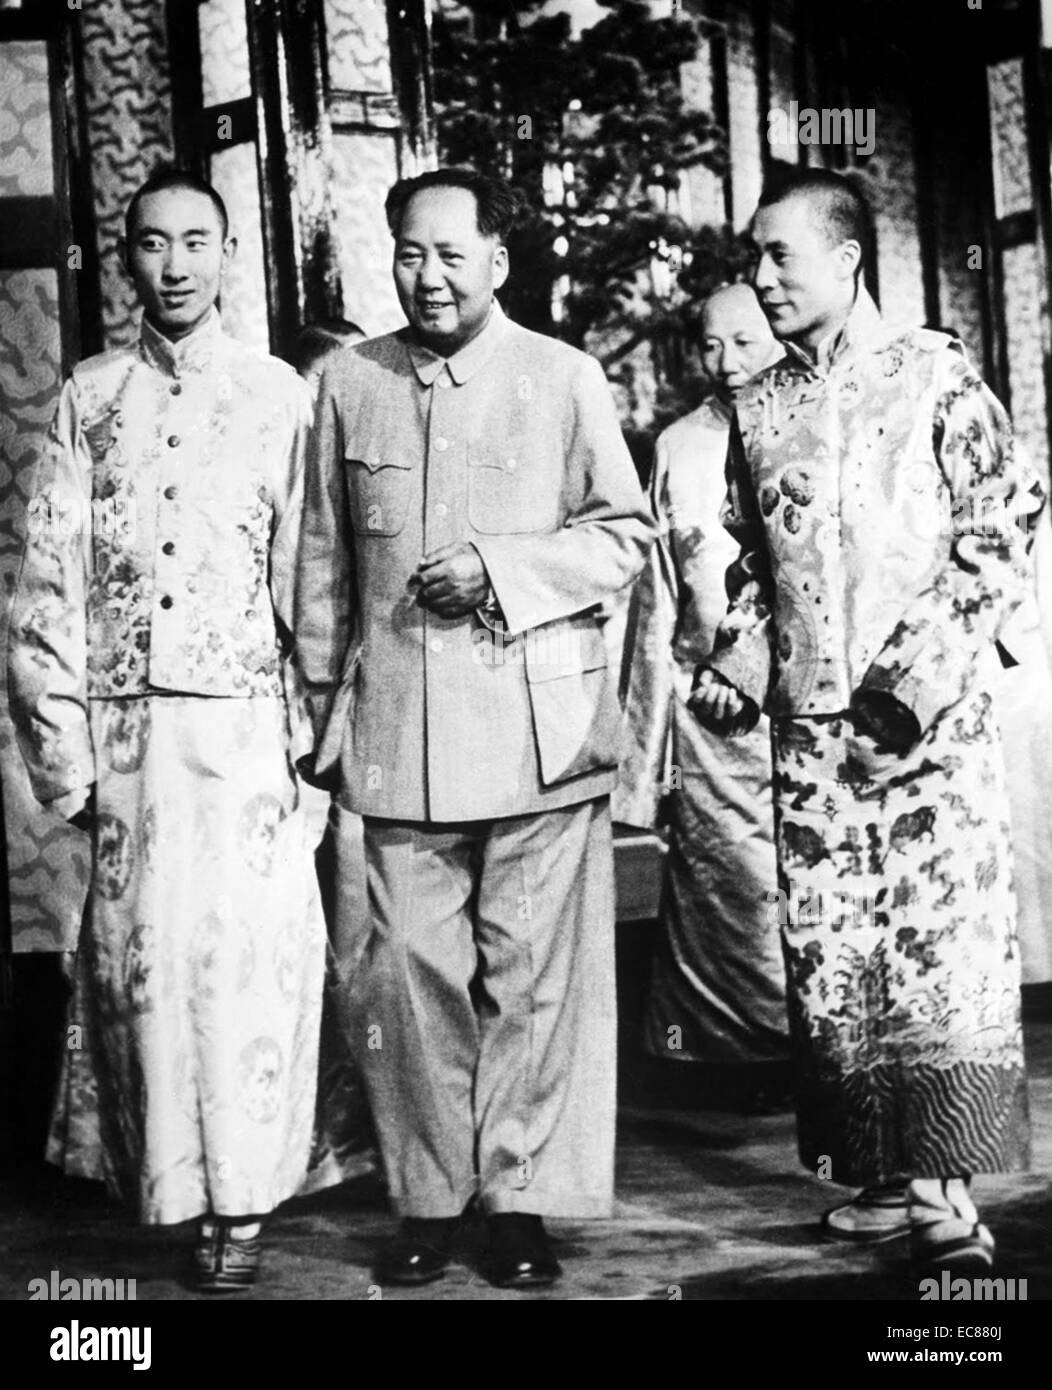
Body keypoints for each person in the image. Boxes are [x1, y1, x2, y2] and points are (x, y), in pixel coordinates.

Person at [293, 166, 655, 1288]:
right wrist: (314, 720)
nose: (429, 275)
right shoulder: (346, 381)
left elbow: (621, 537)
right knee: (405, 976)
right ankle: (428, 1198)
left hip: (538, 734)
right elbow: (318, 564)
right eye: (409, 252)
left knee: (532, 982)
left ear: (497, 261)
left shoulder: (562, 377)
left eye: (452, 254)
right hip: (399, 733)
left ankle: (518, 1202)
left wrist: (502, 569)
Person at [690, 168, 1044, 1273]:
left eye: (778, 257)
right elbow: (754, 569)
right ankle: (883, 1178)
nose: (760, 278)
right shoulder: (759, 409)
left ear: (845, 258)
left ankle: (947, 1200)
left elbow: (998, 536)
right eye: (753, 259)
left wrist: (902, 696)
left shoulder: (937, 381)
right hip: (809, 739)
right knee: (836, 958)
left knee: (936, 954)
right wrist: (739, 669)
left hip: (924, 734)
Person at [7, 167, 327, 1291]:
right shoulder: (89, 397)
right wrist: (68, 755)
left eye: (198, 241)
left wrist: (312, 748)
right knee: (147, 973)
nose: (176, 264)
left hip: (246, 736)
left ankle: (242, 1207)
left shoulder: (280, 395)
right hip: (130, 743)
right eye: (153, 243)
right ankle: (172, 1192)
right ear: (127, 256)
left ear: (228, 251)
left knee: (243, 968)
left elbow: (312, 581)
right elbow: (46, 584)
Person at [616, 284, 789, 1079]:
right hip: (705, 703)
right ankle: (724, 1059)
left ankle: (816, 1056)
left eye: (747, 342)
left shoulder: (815, 428)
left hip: (800, 698)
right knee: (721, 880)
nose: (728, 363)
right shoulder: (680, 444)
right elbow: (656, 597)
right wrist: (646, 737)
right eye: (712, 346)